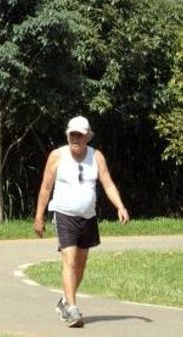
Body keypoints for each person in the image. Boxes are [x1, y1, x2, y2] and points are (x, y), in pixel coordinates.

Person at [33, 115, 130, 328]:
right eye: (72, 134)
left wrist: (120, 206)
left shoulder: (96, 157)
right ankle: (73, 309)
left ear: (87, 137)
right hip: (64, 214)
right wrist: (39, 216)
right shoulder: (57, 156)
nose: (75, 138)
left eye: (80, 135)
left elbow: (108, 184)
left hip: (88, 217)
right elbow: (45, 188)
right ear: (67, 135)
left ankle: (66, 300)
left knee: (81, 263)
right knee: (69, 259)